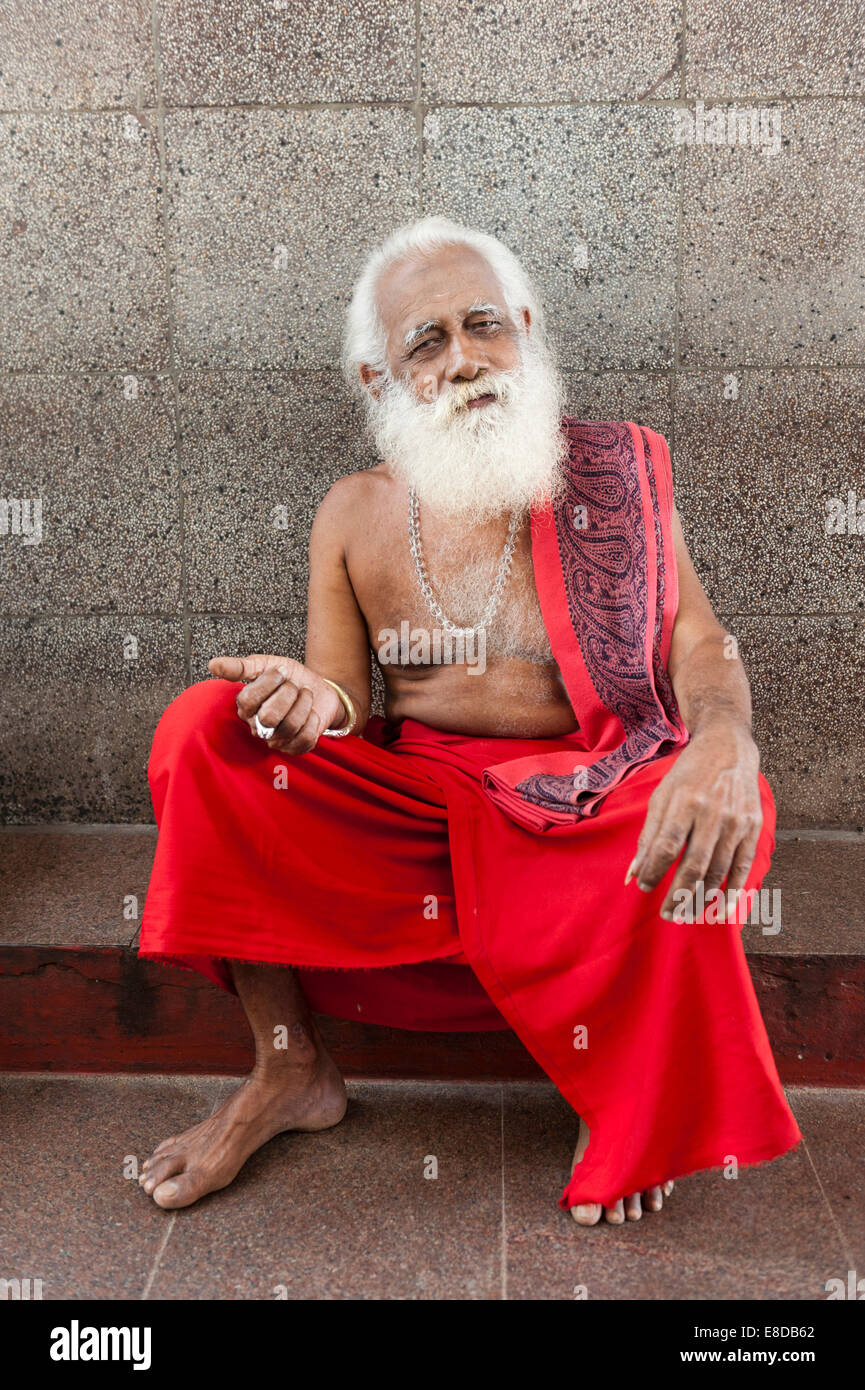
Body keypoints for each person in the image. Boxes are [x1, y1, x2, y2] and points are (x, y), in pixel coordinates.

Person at [138, 215, 800, 1225]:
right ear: (379, 381)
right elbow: (344, 702)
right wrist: (311, 706)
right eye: (427, 341)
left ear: (525, 330)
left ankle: (629, 1087)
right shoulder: (352, 512)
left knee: (716, 794)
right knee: (200, 729)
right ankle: (289, 1069)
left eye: (482, 325)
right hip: (423, 811)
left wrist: (720, 738)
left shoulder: (617, 473)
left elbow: (700, 648)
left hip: (596, 797)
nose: (464, 359)